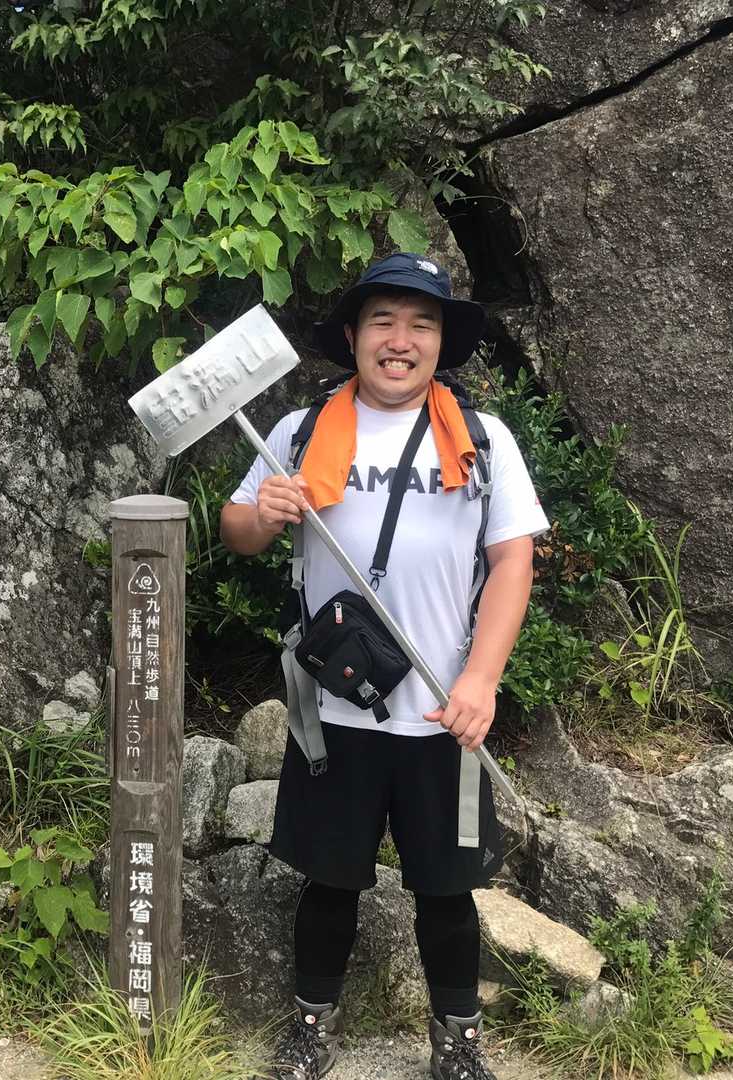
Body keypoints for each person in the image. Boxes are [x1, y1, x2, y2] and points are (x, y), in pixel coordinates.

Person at [220, 252, 549, 1080]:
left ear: (440, 342)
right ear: (353, 336)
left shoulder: (481, 439)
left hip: (444, 710)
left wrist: (480, 681)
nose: (400, 340)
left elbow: (511, 561)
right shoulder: (299, 433)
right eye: (382, 321)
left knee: (446, 888)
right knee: (328, 881)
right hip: (332, 711)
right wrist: (263, 513)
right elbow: (237, 530)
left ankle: (457, 1044)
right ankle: (310, 1032)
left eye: (420, 323)